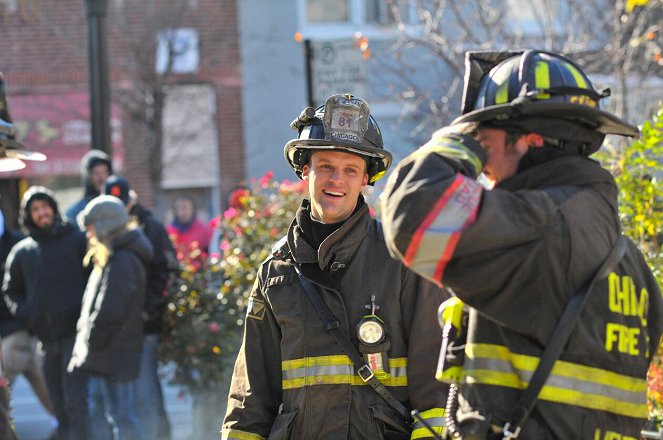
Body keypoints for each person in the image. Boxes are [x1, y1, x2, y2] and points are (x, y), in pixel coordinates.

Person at [380, 49, 663, 438]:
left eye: (487, 148)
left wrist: (461, 140)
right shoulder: (632, 265)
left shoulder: (539, 229)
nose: (485, 171)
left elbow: (411, 214)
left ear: (528, 141)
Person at [222, 94, 449, 440]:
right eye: (326, 166)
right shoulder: (276, 271)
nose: (336, 180)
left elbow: (435, 382)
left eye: (350, 170)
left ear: (365, 181)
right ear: (305, 169)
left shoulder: (401, 259)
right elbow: (251, 394)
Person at [3, 186, 90, 440]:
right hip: (45, 341)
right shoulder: (23, 251)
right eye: (36, 209)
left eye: (45, 207)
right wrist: (29, 314)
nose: (42, 213)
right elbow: (11, 290)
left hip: (75, 338)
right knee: (58, 403)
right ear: (29, 215)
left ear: (53, 208)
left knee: (77, 404)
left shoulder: (75, 239)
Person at [68, 195, 153, 440]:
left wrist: (91, 342)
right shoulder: (120, 255)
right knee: (118, 415)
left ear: (106, 225)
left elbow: (110, 310)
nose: (88, 234)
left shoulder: (123, 259)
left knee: (121, 417)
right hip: (113, 351)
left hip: (113, 352)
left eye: (91, 228)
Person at [103, 175, 175, 440]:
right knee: (124, 400)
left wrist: (149, 310)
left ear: (131, 199)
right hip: (119, 329)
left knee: (146, 394)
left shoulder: (152, 228)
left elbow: (167, 271)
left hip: (145, 325)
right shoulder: (104, 232)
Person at [0, 208, 55, 419]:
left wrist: (27, 317)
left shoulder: (18, 245)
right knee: (46, 386)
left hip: (17, 330)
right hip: (17, 331)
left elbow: (27, 288)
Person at [65, 149, 113, 222]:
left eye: (104, 172)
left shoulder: (121, 204)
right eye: (96, 173)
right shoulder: (75, 213)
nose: (101, 177)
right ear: (88, 176)